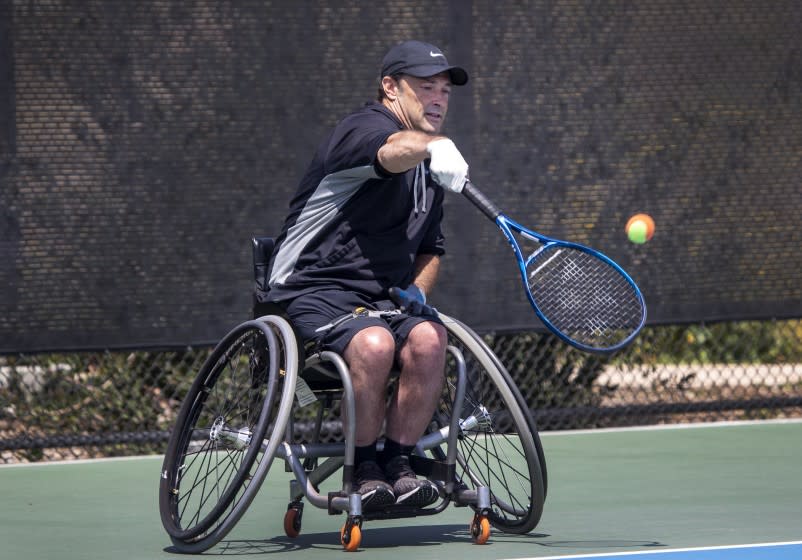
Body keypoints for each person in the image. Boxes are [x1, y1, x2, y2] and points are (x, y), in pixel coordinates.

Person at [264, 40, 470, 510]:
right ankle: (363, 468)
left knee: (430, 340)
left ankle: (397, 463)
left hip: (381, 304)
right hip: (311, 293)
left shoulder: (429, 171)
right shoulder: (363, 128)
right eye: (425, 87)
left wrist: (418, 291)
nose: (438, 99)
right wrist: (434, 144)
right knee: (375, 342)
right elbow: (391, 151)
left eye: (445, 90)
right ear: (390, 87)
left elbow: (430, 250)